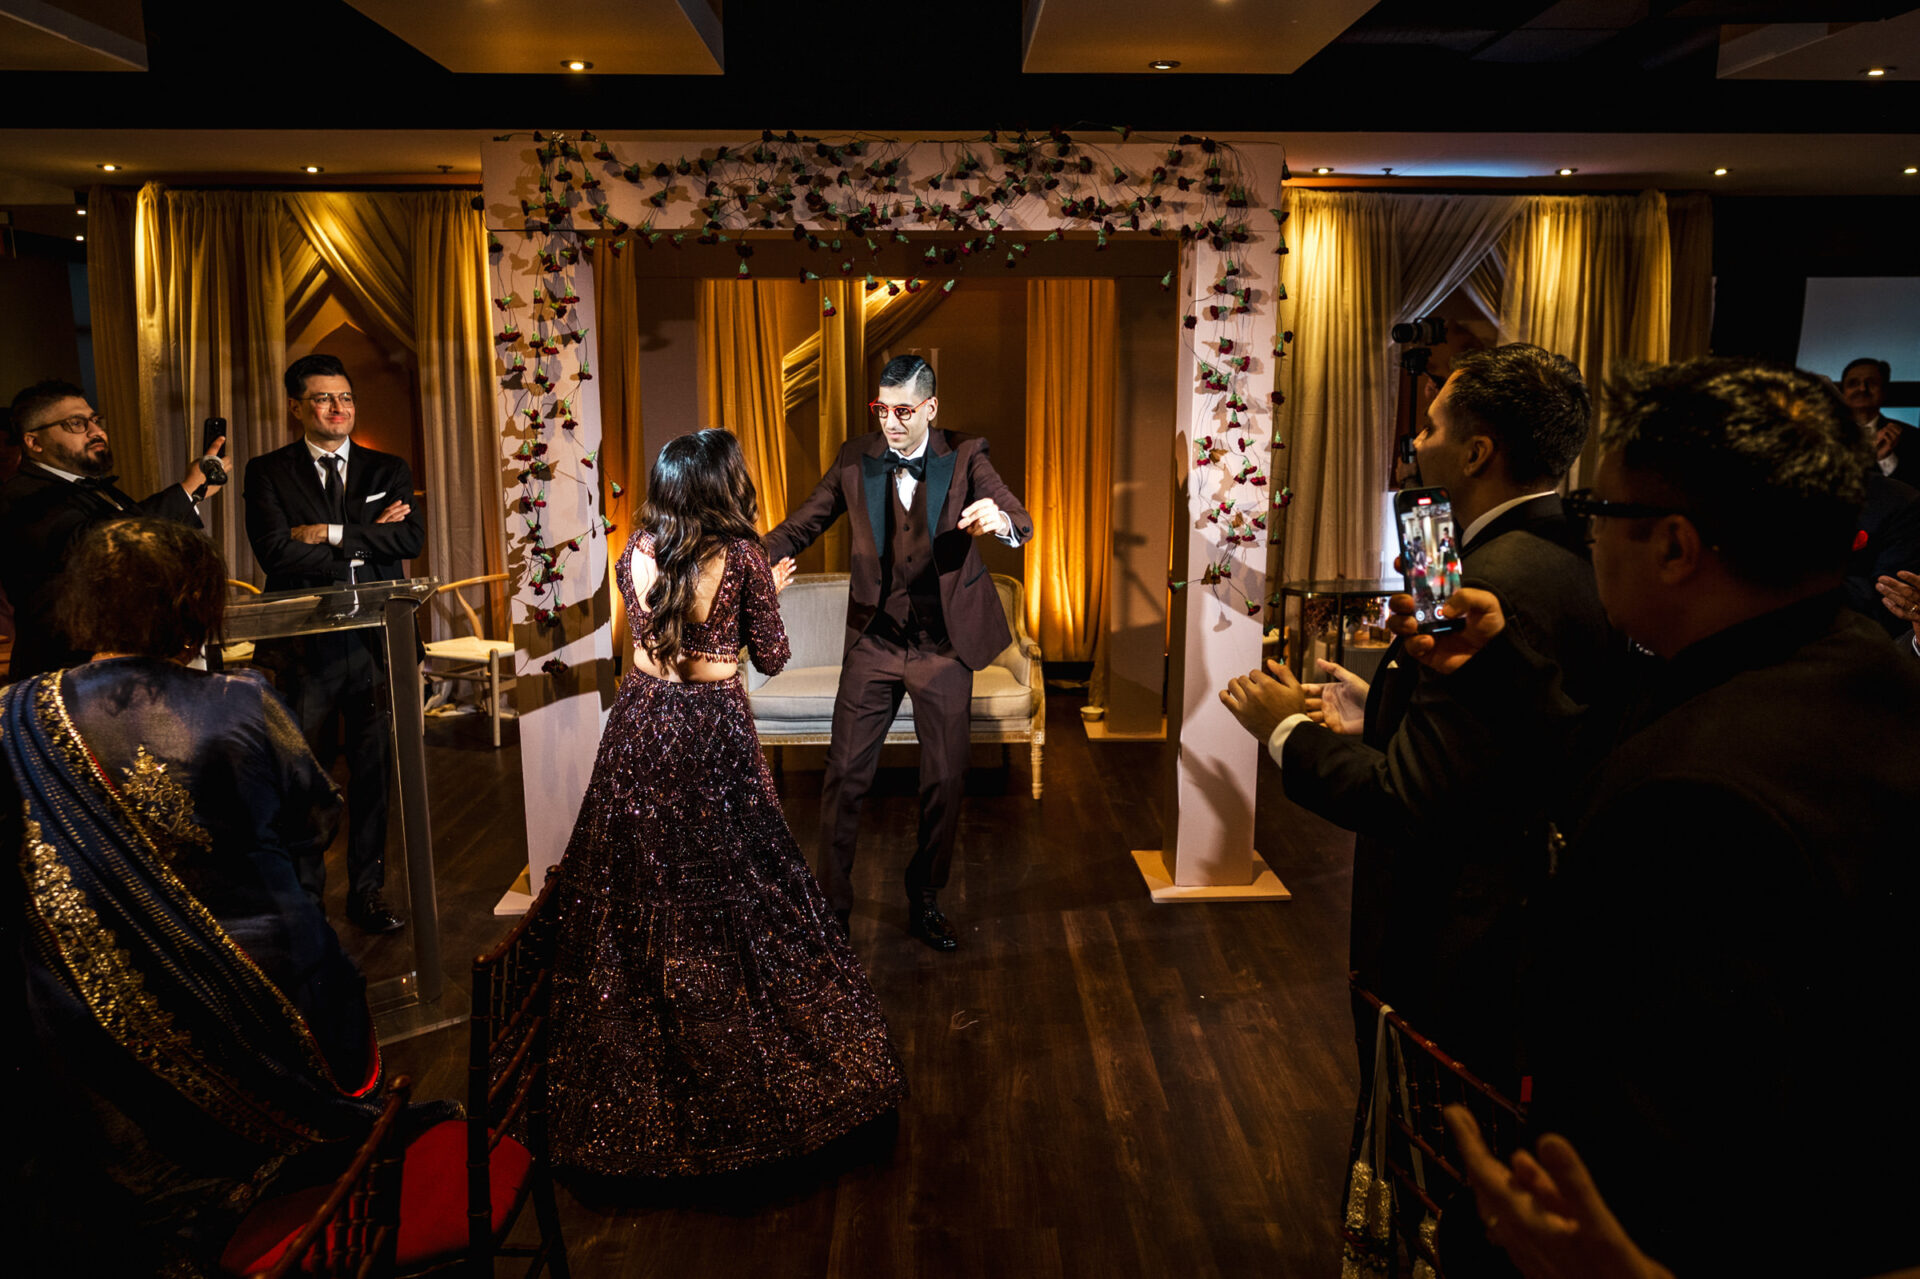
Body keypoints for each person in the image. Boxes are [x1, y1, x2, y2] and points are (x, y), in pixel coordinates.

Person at [1393, 359, 1920, 1278]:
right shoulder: (1857, 661)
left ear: (1675, 547)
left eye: (1597, 514)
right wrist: (1501, 669)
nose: (1585, 540)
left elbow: (1674, 1138)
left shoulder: (1697, 804)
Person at [1219, 343, 1613, 1088]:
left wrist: (1284, 728)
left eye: (1430, 427)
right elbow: (1501, 739)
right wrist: (1384, 713)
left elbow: (1408, 800)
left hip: (1457, 935)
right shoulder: (1561, 553)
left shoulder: (1493, 583)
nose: (1416, 443)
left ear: (1476, 451)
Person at [6, 517, 382, 1275]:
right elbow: (315, 819)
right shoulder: (242, 701)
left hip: (84, 1035)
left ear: (84, 603)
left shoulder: (15, 713)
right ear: (196, 601)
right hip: (276, 1002)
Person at [545, 428, 906, 1177]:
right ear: (721, 487)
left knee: (638, 888)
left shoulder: (630, 551)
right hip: (711, 734)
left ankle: (642, 1068)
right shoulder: (741, 558)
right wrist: (766, 591)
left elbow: (659, 636)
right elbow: (770, 657)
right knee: (741, 892)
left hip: (640, 726)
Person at [763, 355, 1033, 951]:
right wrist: (746, 561)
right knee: (844, 779)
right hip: (875, 642)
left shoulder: (966, 455)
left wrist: (999, 520)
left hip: (942, 647)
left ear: (931, 409)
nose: (889, 421)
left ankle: (925, 894)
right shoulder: (855, 458)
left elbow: (1018, 518)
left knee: (944, 781)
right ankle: (830, 915)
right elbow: (801, 524)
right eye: (881, 409)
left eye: (903, 411)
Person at [244, 353, 423, 933]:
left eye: (345, 397)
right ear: (296, 407)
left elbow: (411, 539)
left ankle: (368, 890)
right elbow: (275, 553)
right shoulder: (267, 472)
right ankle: (305, 897)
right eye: (322, 399)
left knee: (375, 776)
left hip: (376, 644)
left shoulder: (385, 468)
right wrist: (373, 537)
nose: (337, 408)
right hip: (304, 650)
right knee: (304, 777)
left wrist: (330, 533)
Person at [0, 378, 225, 681]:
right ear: (34, 442)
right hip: (68, 674)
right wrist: (185, 491)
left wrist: (193, 495)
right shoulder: (20, 495)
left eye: (95, 420)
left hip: (125, 664)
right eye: (76, 424)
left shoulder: (97, 490)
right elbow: (100, 542)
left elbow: (145, 545)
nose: (96, 431)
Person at [1841, 355, 1920, 481]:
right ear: (1842, 392)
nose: (1862, 388)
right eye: (1853, 383)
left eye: (1871, 383)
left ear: (1884, 391)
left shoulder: (1914, 437)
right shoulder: (1818, 434)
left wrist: (1886, 459)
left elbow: (1914, 493)